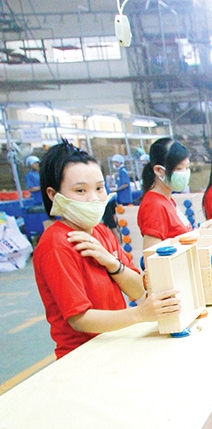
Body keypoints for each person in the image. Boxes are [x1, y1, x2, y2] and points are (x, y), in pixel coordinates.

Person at [33, 140, 180, 359]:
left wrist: (111, 263)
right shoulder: (57, 245)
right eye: (80, 190)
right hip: (84, 355)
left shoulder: (100, 232)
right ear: (54, 195)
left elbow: (138, 289)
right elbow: (80, 319)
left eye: (100, 188)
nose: (94, 198)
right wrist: (139, 314)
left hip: (116, 341)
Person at [138, 137, 193, 249]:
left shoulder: (167, 199)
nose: (185, 173)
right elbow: (154, 257)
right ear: (159, 170)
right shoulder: (154, 206)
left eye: (187, 168)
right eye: (178, 169)